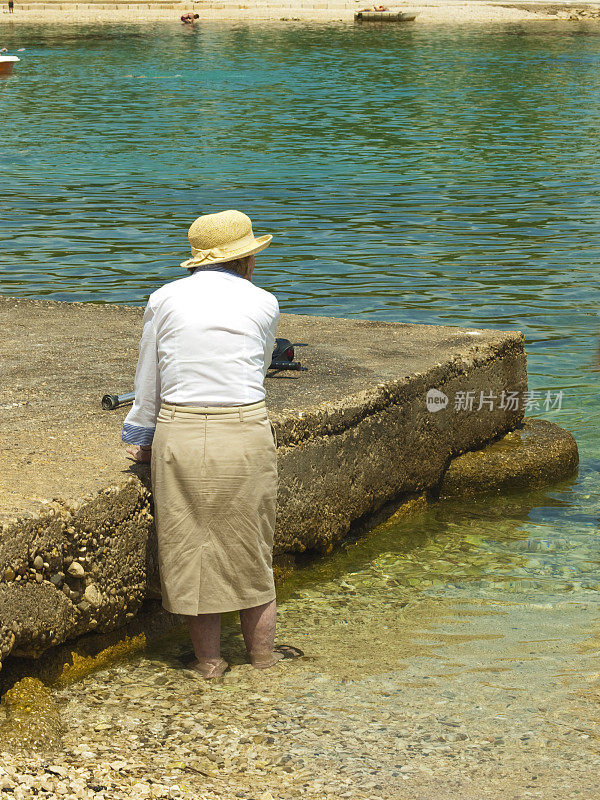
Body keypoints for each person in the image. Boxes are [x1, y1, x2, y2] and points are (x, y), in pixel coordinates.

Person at [122, 210, 303, 679]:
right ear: (245, 260)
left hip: (180, 428)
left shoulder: (163, 299)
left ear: (197, 260)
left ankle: (208, 663)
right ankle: (263, 659)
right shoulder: (264, 302)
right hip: (244, 427)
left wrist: (141, 437)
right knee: (252, 544)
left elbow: (149, 376)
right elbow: (259, 365)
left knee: (190, 546)